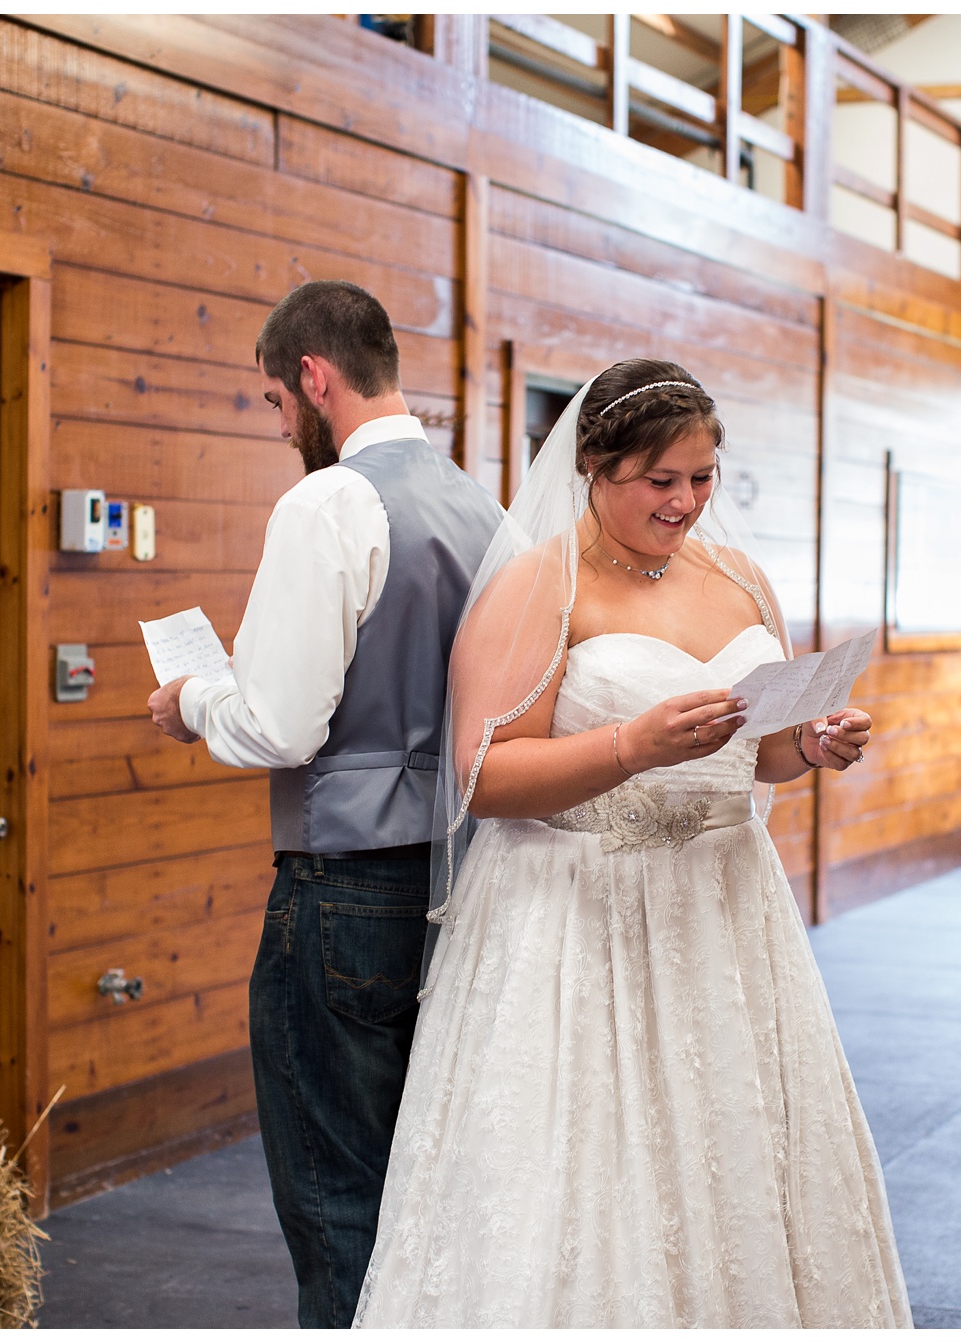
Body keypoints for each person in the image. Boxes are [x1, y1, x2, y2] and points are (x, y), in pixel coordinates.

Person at [352, 359, 910, 1328]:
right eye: (660, 481)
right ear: (593, 467)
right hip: (578, 913)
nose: (685, 501)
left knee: (727, 1146)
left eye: (702, 477)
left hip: (726, 909)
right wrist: (627, 746)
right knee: (592, 1162)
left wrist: (808, 743)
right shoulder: (537, 587)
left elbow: (757, 751)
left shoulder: (740, 579)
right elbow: (483, 776)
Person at [146, 280, 502, 1328]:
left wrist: (192, 700)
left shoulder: (327, 503)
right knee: (417, 1180)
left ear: (313, 375)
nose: (280, 426)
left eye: (273, 402)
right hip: (457, 873)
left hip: (342, 884)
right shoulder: (474, 503)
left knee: (334, 1190)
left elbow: (279, 725)